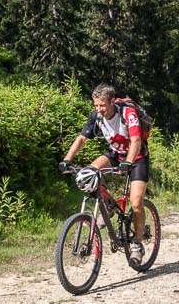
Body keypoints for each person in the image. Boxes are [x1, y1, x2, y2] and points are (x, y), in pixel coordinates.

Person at [58, 84, 150, 268]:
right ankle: (108, 206)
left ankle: (137, 244)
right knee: (89, 173)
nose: (99, 110)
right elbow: (81, 138)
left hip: (137, 157)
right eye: (96, 105)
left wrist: (128, 162)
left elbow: (136, 140)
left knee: (136, 202)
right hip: (115, 154)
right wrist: (67, 160)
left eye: (102, 105)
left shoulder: (127, 114)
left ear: (112, 102)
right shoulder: (96, 116)